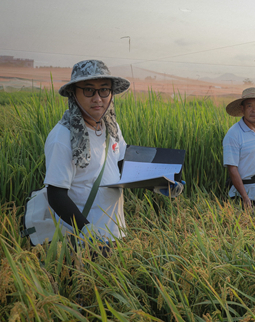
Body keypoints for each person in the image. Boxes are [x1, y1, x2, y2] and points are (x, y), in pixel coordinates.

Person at [44, 60, 182, 246]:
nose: (98, 98)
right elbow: (56, 194)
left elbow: (123, 166)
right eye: (88, 90)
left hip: (113, 232)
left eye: (104, 90)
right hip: (81, 240)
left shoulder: (111, 127)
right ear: (73, 93)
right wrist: (87, 233)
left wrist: (163, 183)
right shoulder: (63, 136)